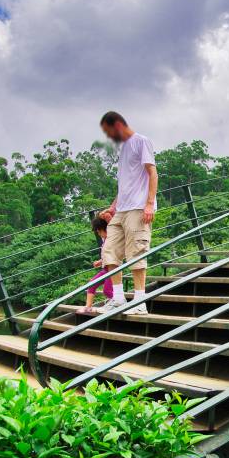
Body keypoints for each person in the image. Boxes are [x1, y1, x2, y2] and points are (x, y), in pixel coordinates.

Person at [96, 111, 158, 315]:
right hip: (121, 210)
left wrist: (149, 203)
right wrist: (113, 207)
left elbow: (152, 173)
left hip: (139, 208)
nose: (108, 136)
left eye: (108, 131)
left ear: (117, 125)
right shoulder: (123, 150)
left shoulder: (142, 141)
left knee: (136, 252)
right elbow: (125, 185)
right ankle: (118, 298)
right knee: (109, 250)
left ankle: (140, 303)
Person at [78, 216, 114, 313]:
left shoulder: (112, 239)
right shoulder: (104, 240)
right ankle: (88, 306)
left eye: (98, 231)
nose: (98, 234)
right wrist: (100, 261)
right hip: (105, 269)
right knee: (92, 284)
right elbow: (107, 255)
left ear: (104, 229)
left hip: (113, 269)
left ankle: (115, 303)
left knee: (107, 290)